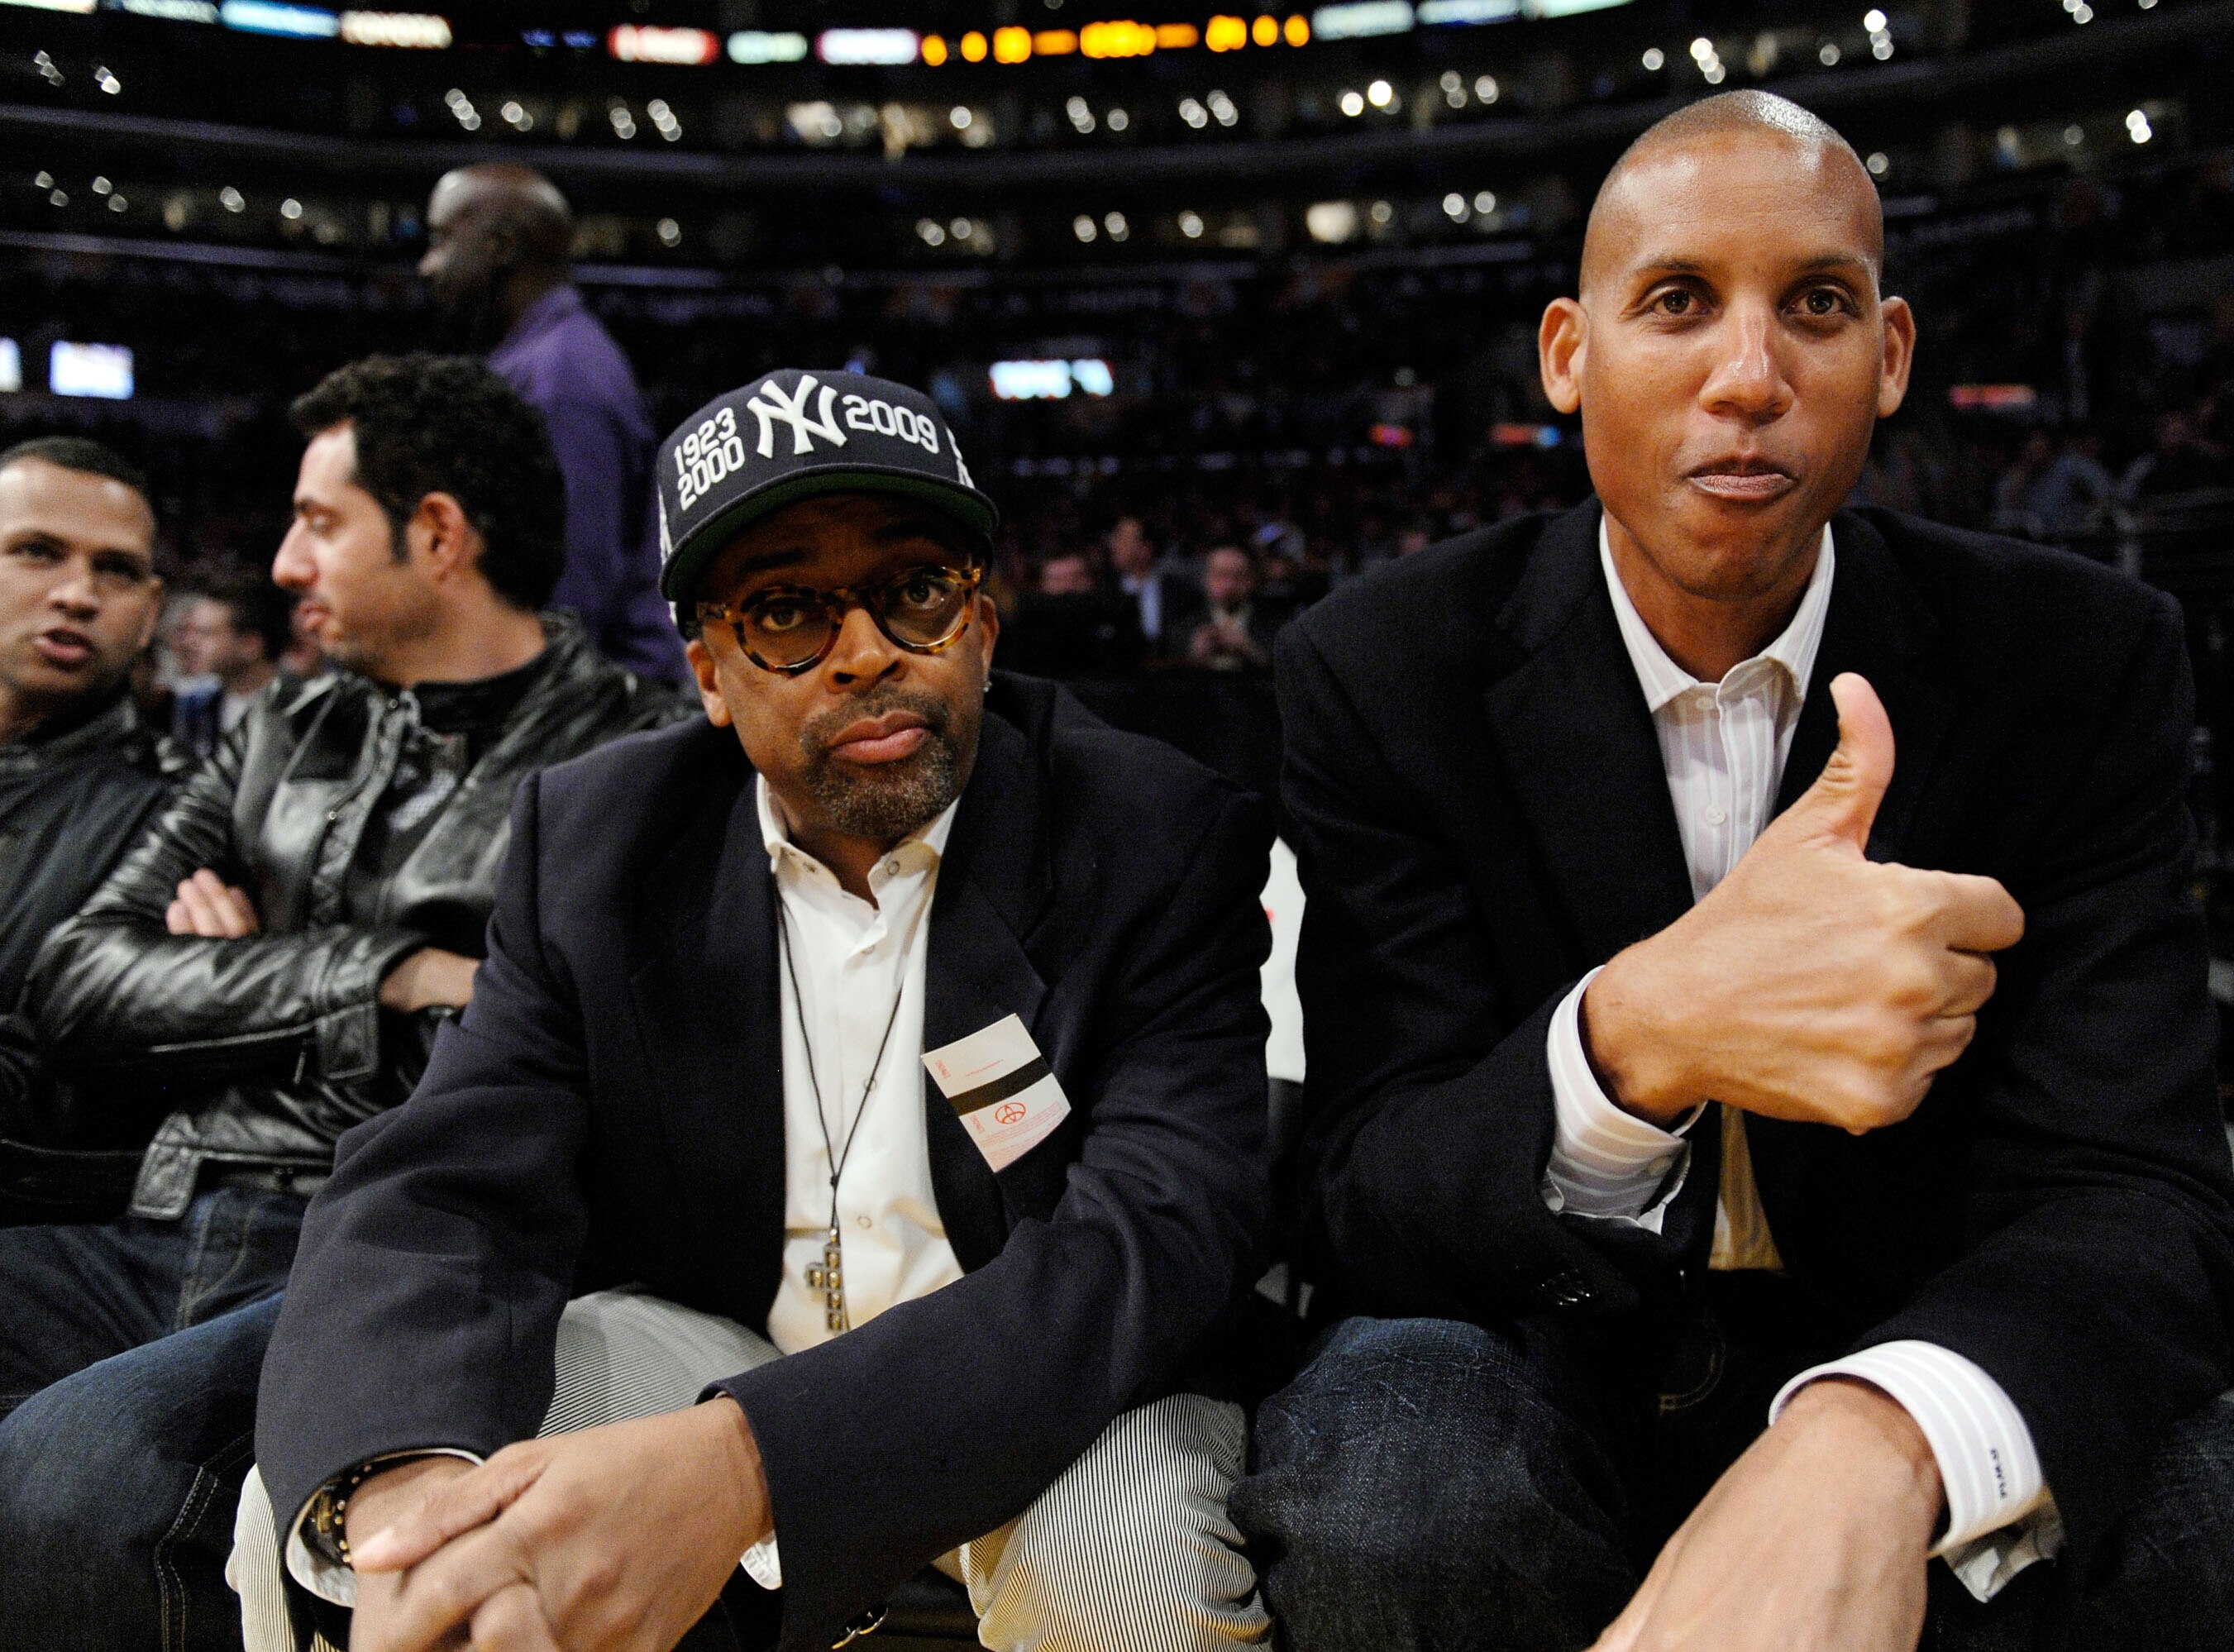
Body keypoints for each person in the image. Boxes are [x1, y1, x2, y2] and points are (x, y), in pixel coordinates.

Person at [1230, 92, 2234, 1652]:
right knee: (1392, 1484)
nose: (1750, 377)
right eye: (1678, 302)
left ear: (1893, 357)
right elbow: (1369, 1194)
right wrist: (1642, 1033)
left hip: (1936, 1320)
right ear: (1568, 354)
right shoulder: (1381, 665)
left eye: (1819, 307)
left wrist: (1877, 1433)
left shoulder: (2078, 659)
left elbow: (2140, 1190)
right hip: (1535, 1332)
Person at [241, 369, 1277, 1652]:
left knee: (1115, 1581)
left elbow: (1153, 1242)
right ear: (711, 672)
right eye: (787, 610)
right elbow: (445, 1183)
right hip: (718, 1344)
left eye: (915, 591)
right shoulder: (596, 841)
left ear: (985, 629)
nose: (866, 650)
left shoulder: (1156, 830)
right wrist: (412, 1494)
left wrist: (753, 1461)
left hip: (1052, 1380)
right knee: (350, 1519)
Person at [0, 355, 690, 1652]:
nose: (279, 564)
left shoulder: (632, 757)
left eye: (317, 522)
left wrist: (236, 983)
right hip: (163, 1206)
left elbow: (574, 1072)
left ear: (435, 534)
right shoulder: (278, 731)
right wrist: (387, 975)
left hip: (376, 1236)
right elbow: (80, 975)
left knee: (68, 1488)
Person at [0, 437, 188, 1219]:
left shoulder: (182, 818)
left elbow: (65, 1093)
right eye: (38, 552)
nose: (78, 594)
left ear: (148, 615)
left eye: (114, 570)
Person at [421, 162, 685, 681]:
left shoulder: (562, 379)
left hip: (587, 712)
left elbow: (571, 593)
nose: (429, 265)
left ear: (501, 247)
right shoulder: (534, 361)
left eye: (442, 239)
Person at [169, 571, 291, 756]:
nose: (189, 643)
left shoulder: (299, 708)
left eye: (205, 633)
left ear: (250, 645)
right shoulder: (194, 705)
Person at [1109, 512, 1201, 658]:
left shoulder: (1180, 593)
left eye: (1121, 538)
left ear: (1145, 548)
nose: (1113, 544)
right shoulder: (1106, 591)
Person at [1185, 546, 1290, 671]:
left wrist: (1250, 651)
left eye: (1238, 576)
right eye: (1221, 575)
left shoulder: (1276, 622)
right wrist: (1195, 656)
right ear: (1206, 578)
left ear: (1252, 579)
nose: (1229, 585)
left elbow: (1285, 669)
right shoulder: (1186, 621)